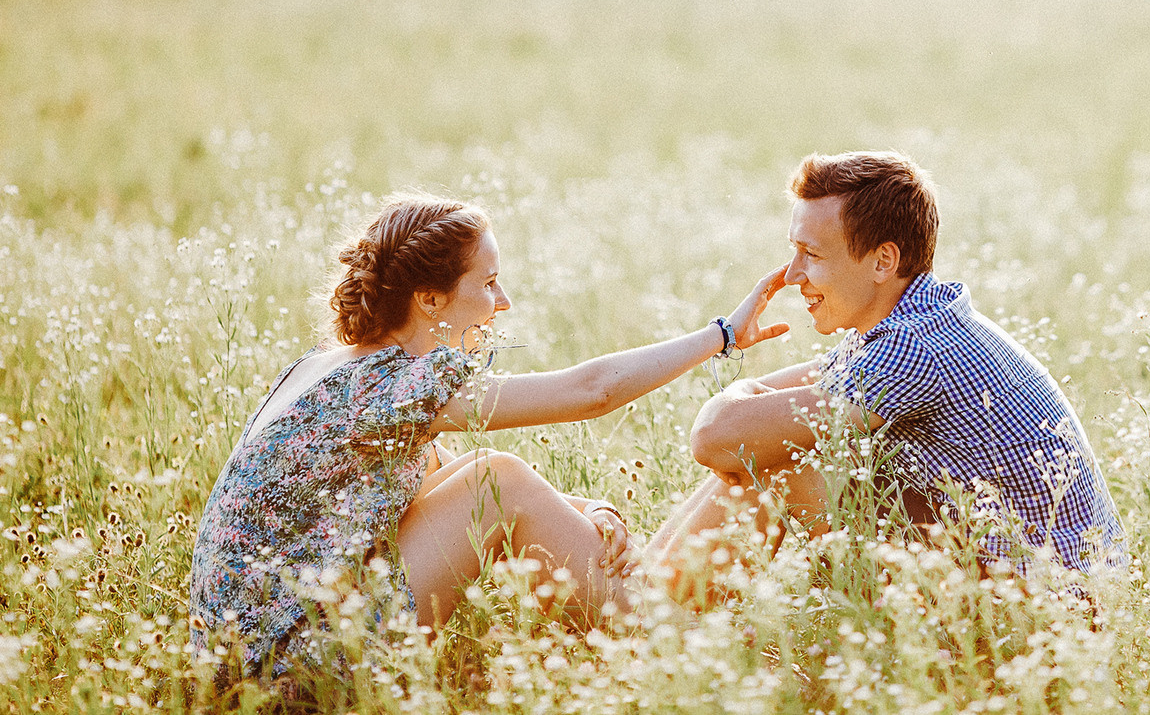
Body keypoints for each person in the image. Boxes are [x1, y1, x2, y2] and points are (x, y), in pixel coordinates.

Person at [188, 192, 789, 678]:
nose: (503, 302)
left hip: (250, 655)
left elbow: (442, 484)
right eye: (489, 282)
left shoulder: (338, 372)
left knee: (493, 479)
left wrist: (592, 509)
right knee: (496, 476)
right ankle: (700, 659)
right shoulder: (388, 388)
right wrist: (723, 335)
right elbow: (591, 392)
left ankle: (654, 630)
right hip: (287, 665)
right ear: (429, 298)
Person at [647, 151, 1125, 588]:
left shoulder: (912, 347)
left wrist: (747, 402)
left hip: (1048, 612)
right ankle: (650, 588)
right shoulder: (913, 321)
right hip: (1019, 580)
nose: (792, 276)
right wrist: (751, 410)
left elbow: (713, 437)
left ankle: (651, 609)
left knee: (784, 456)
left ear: (883, 261)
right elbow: (745, 425)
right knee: (779, 442)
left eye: (811, 254)